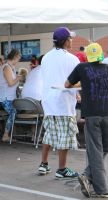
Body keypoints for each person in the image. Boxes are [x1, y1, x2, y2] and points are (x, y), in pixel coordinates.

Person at [65, 43, 108, 198]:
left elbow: (67, 84)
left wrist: (83, 82)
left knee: (96, 150)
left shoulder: (82, 68)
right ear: (101, 55)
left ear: (87, 56)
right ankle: (89, 177)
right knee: (103, 149)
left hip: (92, 114)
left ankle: (100, 189)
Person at [37, 27, 80, 178]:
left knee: (49, 134)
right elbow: (73, 81)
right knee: (64, 136)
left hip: (48, 101)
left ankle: (44, 164)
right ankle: (62, 169)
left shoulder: (46, 57)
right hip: (64, 103)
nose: (72, 41)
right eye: (70, 38)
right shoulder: (73, 59)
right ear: (65, 41)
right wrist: (77, 93)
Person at [0, 49, 23, 142]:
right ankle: (5, 135)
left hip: (9, 97)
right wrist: (18, 78)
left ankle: (10, 133)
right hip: (4, 97)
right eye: (19, 58)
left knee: (17, 110)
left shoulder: (11, 67)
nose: (19, 60)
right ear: (15, 57)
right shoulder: (6, 67)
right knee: (13, 112)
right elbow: (10, 83)